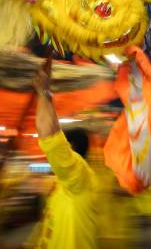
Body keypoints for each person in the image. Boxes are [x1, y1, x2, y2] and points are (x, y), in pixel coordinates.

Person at [27, 67, 98, 249]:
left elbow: (48, 132)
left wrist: (43, 91)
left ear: (71, 149)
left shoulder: (79, 176)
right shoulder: (65, 185)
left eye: (65, 145)